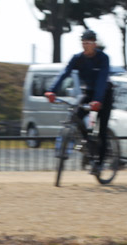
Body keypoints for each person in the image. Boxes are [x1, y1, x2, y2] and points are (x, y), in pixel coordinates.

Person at [44, 29, 114, 174]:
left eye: (88, 43)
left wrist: (98, 100)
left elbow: (102, 80)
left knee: (101, 130)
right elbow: (64, 73)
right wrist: (52, 90)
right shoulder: (77, 58)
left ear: (94, 44)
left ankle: (99, 164)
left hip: (104, 95)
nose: (85, 46)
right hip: (88, 93)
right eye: (83, 43)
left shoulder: (103, 58)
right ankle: (85, 143)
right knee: (75, 115)